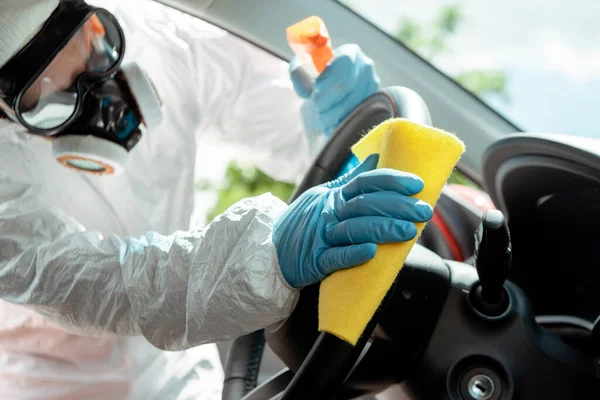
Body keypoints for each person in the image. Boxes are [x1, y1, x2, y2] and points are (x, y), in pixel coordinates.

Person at [0, 0, 434, 399]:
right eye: (51, 104)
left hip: (183, 374)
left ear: (95, 16)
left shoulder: (165, 41)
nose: (103, 102)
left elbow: (268, 114)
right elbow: (100, 283)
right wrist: (267, 254)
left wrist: (335, 122)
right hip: (54, 387)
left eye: (100, 50)